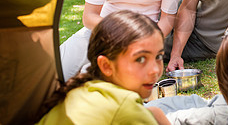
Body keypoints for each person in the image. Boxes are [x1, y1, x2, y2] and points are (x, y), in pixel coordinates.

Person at [37, 10, 170, 124]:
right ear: (106, 65)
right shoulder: (124, 107)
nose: (155, 70)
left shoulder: (78, 92)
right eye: (140, 59)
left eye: (158, 56)